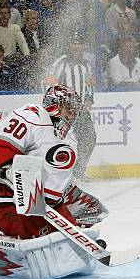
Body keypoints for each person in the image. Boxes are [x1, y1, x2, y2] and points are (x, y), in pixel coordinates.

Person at [0, 85, 108, 279]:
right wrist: (7, 168)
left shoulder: (69, 141)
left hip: (40, 206)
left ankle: (55, 238)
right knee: (47, 237)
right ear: (54, 105)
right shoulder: (31, 116)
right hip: (5, 204)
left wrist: (70, 227)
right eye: (68, 107)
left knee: (80, 222)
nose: (72, 114)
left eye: (74, 109)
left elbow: (52, 196)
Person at [44, 35, 98, 183]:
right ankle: (58, 176)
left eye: (79, 43)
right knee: (60, 142)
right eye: (74, 43)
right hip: (63, 111)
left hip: (80, 110)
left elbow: (90, 84)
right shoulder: (60, 63)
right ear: (69, 45)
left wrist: (89, 97)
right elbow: (48, 82)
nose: (77, 46)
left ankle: (78, 173)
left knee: (89, 139)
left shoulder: (86, 65)